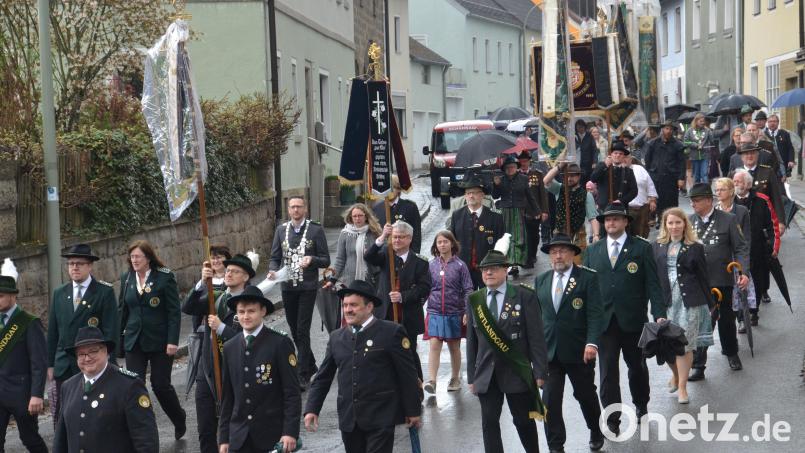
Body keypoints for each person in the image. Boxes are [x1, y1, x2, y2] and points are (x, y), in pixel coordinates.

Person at [304, 280, 422, 453]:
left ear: (369, 307)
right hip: (349, 420)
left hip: (381, 418)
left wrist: (413, 410)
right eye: (345, 305)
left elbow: (407, 374)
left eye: (354, 305)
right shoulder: (336, 337)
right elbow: (323, 377)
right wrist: (312, 409)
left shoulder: (391, 332)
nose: (348, 310)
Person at [583, 201, 665, 433]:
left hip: (633, 320)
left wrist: (659, 314)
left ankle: (641, 404)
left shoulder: (641, 248)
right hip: (605, 323)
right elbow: (586, 290)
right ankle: (612, 417)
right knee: (608, 372)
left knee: (637, 367)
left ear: (626, 222)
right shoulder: (592, 251)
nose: (611, 223)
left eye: (616, 219)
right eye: (607, 219)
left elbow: (653, 284)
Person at [466, 244, 548, 453]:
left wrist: (539, 372)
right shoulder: (475, 300)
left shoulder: (523, 295)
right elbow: (471, 342)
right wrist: (471, 377)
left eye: (494, 268)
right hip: (486, 373)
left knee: (522, 421)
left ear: (505, 270)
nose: (489, 273)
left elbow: (536, 337)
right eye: (485, 270)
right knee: (489, 424)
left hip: (516, 371)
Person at [536, 234, 605, 452]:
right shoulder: (542, 280)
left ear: (573, 254)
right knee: (550, 402)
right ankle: (556, 445)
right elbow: (538, 318)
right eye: (554, 252)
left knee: (585, 395)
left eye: (563, 251)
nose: (558, 255)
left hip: (579, 350)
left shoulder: (587, 278)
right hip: (550, 353)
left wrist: (592, 343)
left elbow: (595, 314)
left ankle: (595, 428)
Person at [181, 254, 256, 453]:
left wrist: (222, 328)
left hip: (233, 372)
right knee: (205, 427)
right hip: (207, 371)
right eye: (228, 270)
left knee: (231, 426)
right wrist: (200, 283)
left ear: (246, 277)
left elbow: (248, 342)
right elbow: (188, 307)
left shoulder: (251, 304)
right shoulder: (216, 298)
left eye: (235, 271)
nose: (229, 274)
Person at [218, 287, 301, 453]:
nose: (246, 316)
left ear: (263, 311)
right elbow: (228, 397)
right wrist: (224, 438)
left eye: (251, 311)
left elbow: (291, 392)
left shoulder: (280, 343)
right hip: (239, 437)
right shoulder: (229, 347)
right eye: (241, 312)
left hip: (272, 436)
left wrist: (290, 432)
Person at [53, 327, 158, 452]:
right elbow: (61, 440)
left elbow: (146, 440)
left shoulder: (129, 385)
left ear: (106, 352)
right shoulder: (68, 386)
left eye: (93, 351)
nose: (87, 358)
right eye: (81, 354)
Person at [120, 239, 186, 439]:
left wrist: (173, 341)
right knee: (134, 385)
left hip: (160, 341)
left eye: (138, 256)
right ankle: (143, 429)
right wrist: (116, 342)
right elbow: (122, 310)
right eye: (132, 257)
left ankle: (179, 417)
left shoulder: (164, 278)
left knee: (160, 385)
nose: (134, 260)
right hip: (135, 341)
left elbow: (174, 312)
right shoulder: (127, 278)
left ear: (148, 258)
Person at [48, 243, 119, 422]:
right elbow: (53, 332)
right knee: (63, 414)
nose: (75, 267)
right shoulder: (60, 293)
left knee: (92, 412)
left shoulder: (104, 292)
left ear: (90, 266)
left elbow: (111, 331)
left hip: (92, 363)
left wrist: (109, 359)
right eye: (71, 264)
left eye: (79, 263)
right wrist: (50, 364)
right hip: (64, 363)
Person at [687, 183, 750, 381]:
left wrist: (743, 272)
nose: (693, 204)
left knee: (726, 320)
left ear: (708, 200)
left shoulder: (728, 220)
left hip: (721, 279)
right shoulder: (688, 221)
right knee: (701, 323)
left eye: (697, 200)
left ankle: (731, 353)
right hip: (697, 282)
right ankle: (698, 364)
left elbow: (741, 248)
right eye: (692, 201)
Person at [652, 208, 715, 405]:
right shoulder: (656, 246)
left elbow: (703, 276)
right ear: (665, 225)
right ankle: (676, 375)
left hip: (691, 301)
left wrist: (711, 304)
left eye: (678, 222)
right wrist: (655, 305)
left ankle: (682, 387)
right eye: (670, 223)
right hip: (667, 301)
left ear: (684, 224)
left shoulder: (695, 246)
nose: (674, 226)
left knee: (685, 344)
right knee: (667, 344)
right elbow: (653, 278)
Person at [268, 195, 330, 389]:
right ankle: (310, 365)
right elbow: (275, 256)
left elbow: (325, 259)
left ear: (305, 208)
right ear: (288, 210)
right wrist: (272, 269)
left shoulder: (315, 229)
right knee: (294, 329)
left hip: (307, 287)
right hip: (287, 286)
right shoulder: (280, 230)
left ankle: (303, 373)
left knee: (302, 329)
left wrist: (312, 259)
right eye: (292, 207)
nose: (295, 210)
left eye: (299, 207)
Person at [364, 221, 430, 379]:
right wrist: (382, 237)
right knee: (383, 350)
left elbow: (424, 288)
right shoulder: (386, 254)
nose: (396, 240)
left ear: (409, 239)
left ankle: (416, 386)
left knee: (408, 351)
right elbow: (369, 256)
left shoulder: (420, 262)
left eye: (401, 237)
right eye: (394, 237)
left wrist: (403, 296)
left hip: (408, 315)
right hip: (385, 313)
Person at [0, 269, 48, 453]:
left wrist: (36, 394)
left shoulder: (28, 322)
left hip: (22, 394)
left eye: (1, 295)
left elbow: (39, 362)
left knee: (30, 439)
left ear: (13, 297)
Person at [423, 231, 473, 394]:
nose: (442, 245)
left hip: (454, 312)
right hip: (434, 311)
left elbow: (468, 289)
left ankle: (455, 377)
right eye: (439, 242)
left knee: (453, 346)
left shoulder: (460, 266)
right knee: (434, 344)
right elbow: (425, 288)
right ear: (435, 246)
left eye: (445, 241)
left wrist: (467, 310)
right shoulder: (431, 265)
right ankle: (432, 380)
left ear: (452, 244)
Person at [734, 170, 780, 320]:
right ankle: (741, 318)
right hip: (737, 251)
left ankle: (754, 311)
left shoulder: (762, 199)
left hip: (758, 248)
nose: (735, 184)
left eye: (739, 181)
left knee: (758, 282)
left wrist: (774, 247)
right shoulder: (729, 202)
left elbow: (772, 225)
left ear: (748, 184)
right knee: (738, 283)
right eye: (734, 181)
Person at [448, 176, 505, 289]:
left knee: (488, 301)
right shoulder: (457, 215)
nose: (471, 196)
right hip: (464, 269)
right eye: (468, 193)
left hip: (488, 269)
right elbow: (452, 242)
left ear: (482, 195)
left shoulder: (496, 217)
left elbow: (501, 245)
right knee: (467, 302)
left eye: (474, 192)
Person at [714, 178, 755, 330]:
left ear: (731, 191)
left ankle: (742, 318)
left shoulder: (741, 211)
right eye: (716, 190)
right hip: (720, 258)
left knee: (740, 289)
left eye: (722, 189)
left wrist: (745, 264)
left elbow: (746, 238)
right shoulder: (715, 211)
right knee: (725, 293)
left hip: (736, 257)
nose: (718, 193)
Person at [543, 162, 600, 262]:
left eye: (572, 176)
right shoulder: (559, 188)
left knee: (578, 262)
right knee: (560, 261)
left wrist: (596, 235)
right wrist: (560, 166)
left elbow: (593, 217)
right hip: (560, 232)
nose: (569, 178)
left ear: (579, 177)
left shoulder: (586, 195)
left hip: (578, 233)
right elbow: (546, 180)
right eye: (567, 176)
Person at [493, 154, 540, 276]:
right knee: (507, 237)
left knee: (518, 238)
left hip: (519, 212)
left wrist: (537, 211)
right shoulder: (501, 180)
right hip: (505, 212)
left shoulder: (524, 179)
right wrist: (496, 185)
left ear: (516, 167)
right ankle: (510, 264)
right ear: (504, 169)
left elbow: (530, 197)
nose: (510, 169)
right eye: (508, 167)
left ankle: (516, 262)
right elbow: (494, 196)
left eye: (513, 167)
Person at [732, 142, 786, 236]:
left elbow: (776, 198)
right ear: (741, 157)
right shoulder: (734, 174)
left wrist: (781, 221)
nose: (749, 156)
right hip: (739, 220)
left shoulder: (768, 172)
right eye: (746, 153)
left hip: (763, 220)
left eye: (752, 153)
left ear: (757, 155)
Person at [330, 203, 382, 289]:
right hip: (350, 280)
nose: (357, 218)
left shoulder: (374, 232)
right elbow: (340, 259)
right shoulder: (345, 234)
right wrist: (332, 279)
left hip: (371, 279)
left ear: (366, 216)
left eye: (360, 215)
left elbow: (382, 254)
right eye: (355, 216)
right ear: (351, 218)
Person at [644, 120, 686, 217]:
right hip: (656, 176)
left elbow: (681, 163)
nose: (668, 131)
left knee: (671, 199)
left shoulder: (678, 145)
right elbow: (648, 160)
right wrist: (649, 173)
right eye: (667, 128)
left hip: (671, 177)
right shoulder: (653, 143)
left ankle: (672, 217)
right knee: (656, 198)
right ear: (662, 129)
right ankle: (657, 218)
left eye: (671, 129)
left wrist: (681, 178)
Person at [373, 175, 422, 253]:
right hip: (384, 256)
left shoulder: (410, 207)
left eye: (392, 188)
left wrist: (413, 256)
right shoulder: (377, 208)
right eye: (387, 189)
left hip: (404, 254)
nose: (389, 192)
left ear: (398, 189)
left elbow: (416, 235)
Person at [518, 150, 550, 269]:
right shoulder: (516, 175)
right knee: (524, 236)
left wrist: (544, 211)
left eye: (525, 161)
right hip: (521, 212)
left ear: (529, 161)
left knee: (534, 235)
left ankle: (532, 254)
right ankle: (527, 258)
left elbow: (543, 194)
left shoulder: (537, 174)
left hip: (534, 212)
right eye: (521, 161)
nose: (523, 164)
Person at [589, 140, 638, 211]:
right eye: (615, 153)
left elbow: (634, 191)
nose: (618, 155)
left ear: (624, 157)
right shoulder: (602, 166)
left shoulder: (628, 171)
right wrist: (605, 165)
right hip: (604, 207)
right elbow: (593, 178)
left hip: (621, 207)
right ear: (611, 155)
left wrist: (622, 200)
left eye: (621, 154)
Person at [627, 156, 658, 238]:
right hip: (626, 208)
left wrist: (652, 200)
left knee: (642, 233)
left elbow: (650, 184)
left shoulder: (639, 169)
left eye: (627, 157)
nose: (625, 159)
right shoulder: (615, 170)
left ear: (631, 159)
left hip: (642, 207)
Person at [683, 113, 717, 184]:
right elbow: (685, 141)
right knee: (696, 176)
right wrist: (695, 145)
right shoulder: (689, 130)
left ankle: (707, 192)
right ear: (696, 121)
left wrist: (710, 132)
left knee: (704, 175)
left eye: (703, 121)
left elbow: (712, 141)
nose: (703, 123)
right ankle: (697, 193)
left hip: (705, 156)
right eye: (701, 121)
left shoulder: (707, 130)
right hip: (694, 157)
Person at [575, 119, 598, 183]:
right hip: (577, 163)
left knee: (588, 180)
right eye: (578, 127)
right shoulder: (574, 136)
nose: (580, 129)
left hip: (588, 163)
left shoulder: (589, 136)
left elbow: (594, 150)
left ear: (585, 127)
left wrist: (595, 162)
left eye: (582, 127)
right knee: (579, 180)